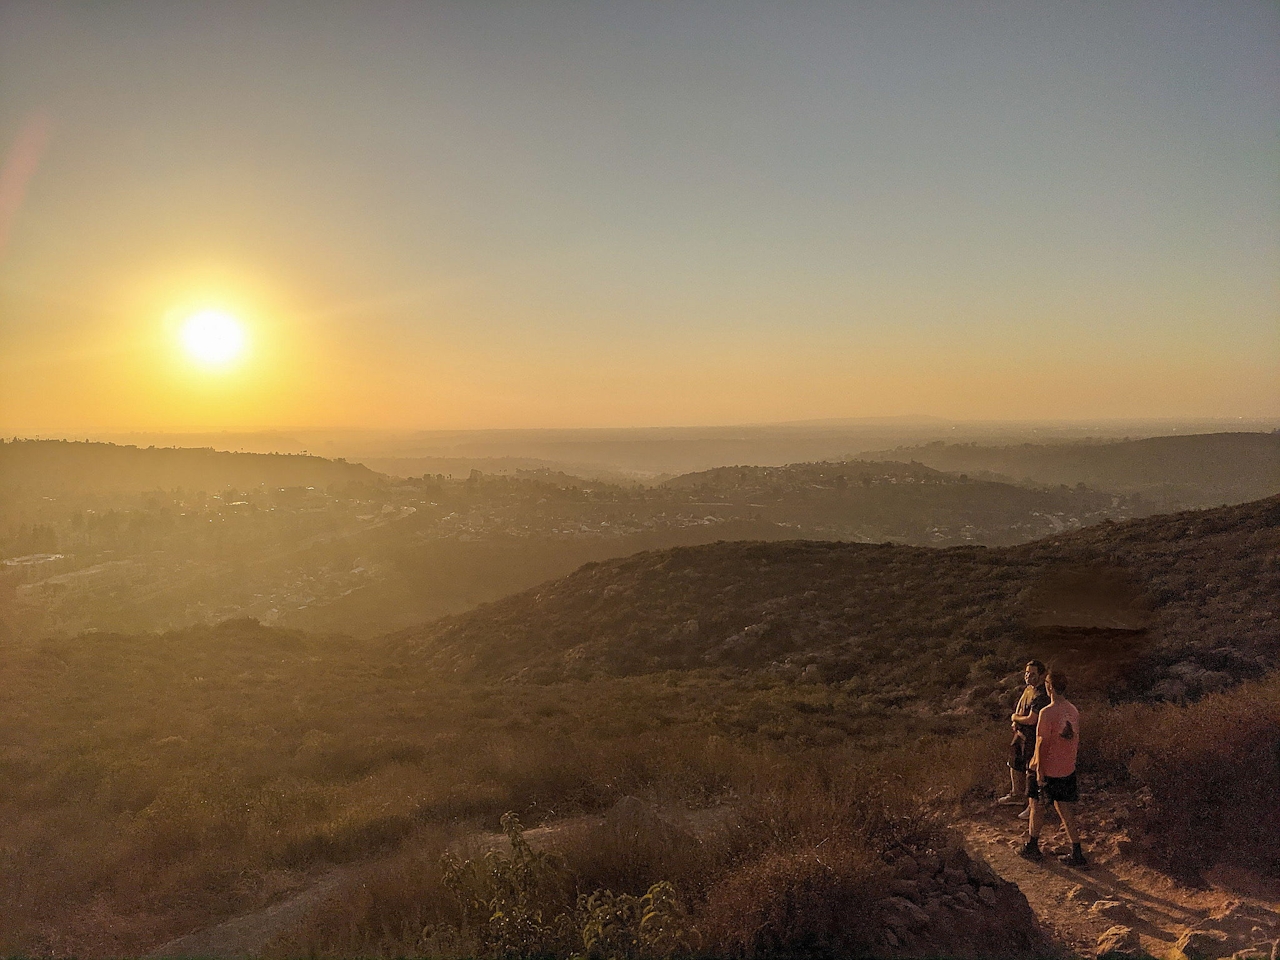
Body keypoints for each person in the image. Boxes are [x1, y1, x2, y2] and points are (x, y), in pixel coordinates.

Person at [1018, 668, 1088, 867]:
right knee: (1064, 808)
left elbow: (1041, 743)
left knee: (1036, 806)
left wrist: (1038, 771)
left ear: (1049, 687)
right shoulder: (1072, 710)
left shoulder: (1047, 712)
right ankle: (1077, 851)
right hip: (1066, 768)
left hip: (1048, 769)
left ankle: (1032, 845)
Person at [998, 659, 1049, 819]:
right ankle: (1016, 794)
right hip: (1021, 734)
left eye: (1033, 674)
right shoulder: (1029, 689)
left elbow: (1032, 719)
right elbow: (1020, 706)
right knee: (1014, 762)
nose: (1028, 676)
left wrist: (1015, 718)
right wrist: (1016, 720)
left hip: (1033, 737)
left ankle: (1032, 805)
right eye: (1027, 673)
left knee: (1030, 770)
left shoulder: (1042, 694)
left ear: (1041, 675)